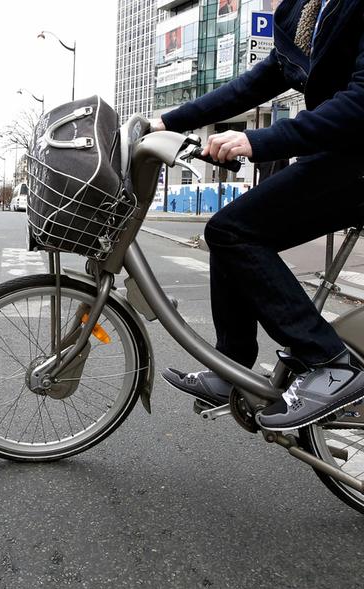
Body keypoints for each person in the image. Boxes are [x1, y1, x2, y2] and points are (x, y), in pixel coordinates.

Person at [155, 0, 364, 431]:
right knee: (230, 229)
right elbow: (262, 78)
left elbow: (361, 103)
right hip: (337, 156)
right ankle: (233, 367)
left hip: (356, 159)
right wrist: (168, 121)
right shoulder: (302, 8)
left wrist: (262, 140)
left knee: (234, 231)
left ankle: (331, 363)